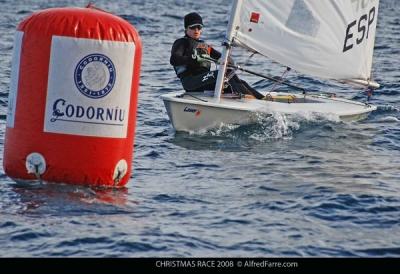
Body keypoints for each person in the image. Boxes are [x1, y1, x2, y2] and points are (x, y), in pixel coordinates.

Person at [170, 12, 264, 99]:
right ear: (186, 29)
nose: (196, 30)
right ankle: (248, 99)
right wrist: (193, 59)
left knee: (232, 75)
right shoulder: (182, 42)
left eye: (199, 27)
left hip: (204, 80)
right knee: (223, 74)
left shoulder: (204, 46)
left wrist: (228, 60)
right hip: (190, 82)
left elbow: (219, 56)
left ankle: (261, 99)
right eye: (193, 27)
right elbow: (174, 59)